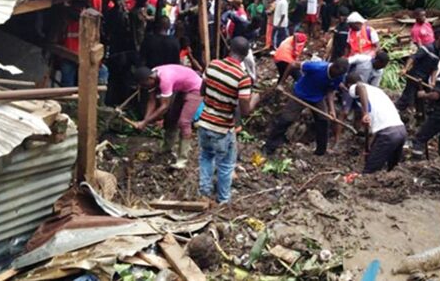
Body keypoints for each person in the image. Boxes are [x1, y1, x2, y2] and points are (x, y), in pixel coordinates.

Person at [198, 37, 260, 204]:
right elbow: (245, 110)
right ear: (246, 54)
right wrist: (254, 99)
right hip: (223, 127)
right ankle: (223, 200)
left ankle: (204, 192)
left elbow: (202, 91)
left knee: (206, 156)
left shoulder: (213, 65)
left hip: (204, 122)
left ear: (229, 48)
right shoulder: (242, 77)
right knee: (225, 165)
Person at [264, 58, 349, 156]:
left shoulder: (339, 76)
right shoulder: (317, 67)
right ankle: (269, 147)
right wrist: (281, 84)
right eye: (336, 73)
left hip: (317, 97)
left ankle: (320, 151)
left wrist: (332, 109)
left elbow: (330, 91)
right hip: (301, 94)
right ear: (333, 66)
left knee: (323, 121)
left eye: (339, 74)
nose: (337, 76)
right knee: (286, 119)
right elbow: (293, 64)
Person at [134, 64, 204, 168]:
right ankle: (167, 149)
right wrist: (145, 120)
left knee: (184, 122)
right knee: (171, 119)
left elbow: (164, 107)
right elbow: (151, 101)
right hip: (182, 88)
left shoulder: (165, 79)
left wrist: (145, 122)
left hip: (196, 89)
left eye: (145, 85)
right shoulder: (153, 74)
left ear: (150, 78)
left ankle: (182, 159)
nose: (145, 87)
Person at [345, 73, 407, 174]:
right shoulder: (376, 91)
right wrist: (371, 147)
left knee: (369, 171)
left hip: (388, 134)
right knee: (393, 170)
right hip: (401, 130)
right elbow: (377, 129)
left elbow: (360, 86)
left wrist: (365, 113)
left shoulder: (355, 87)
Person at [395, 41, 440, 111]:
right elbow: (413, 57)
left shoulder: (439, 52)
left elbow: (435, 68)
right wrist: (405, 69)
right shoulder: (427, 48)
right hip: (414, 76)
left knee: (423, 98)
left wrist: (433, 82)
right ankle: (398, 109)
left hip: (424, 79)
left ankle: (418, 113)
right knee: (408, 95)